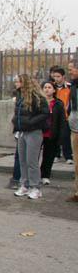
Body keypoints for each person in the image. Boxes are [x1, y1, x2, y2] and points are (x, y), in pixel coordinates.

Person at [12, 74, 48, 200]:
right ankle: (25, 184)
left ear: (24, 83)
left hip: (33, 132)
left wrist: (31, 122)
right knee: (22, 160)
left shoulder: (37, 97)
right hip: (22, 132)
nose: (16, 83)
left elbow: (45, 113)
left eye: (18, 81)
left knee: (32, 161)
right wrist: (15, 124)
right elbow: (17, 113)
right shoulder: (19, 96)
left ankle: (35, 187)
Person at [39, 81, 64, 186]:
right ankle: (34, 175)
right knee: (34, 156)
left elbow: (62, 121)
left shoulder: (58, 104)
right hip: (38, 133)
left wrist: (61, 136)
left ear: (54, 90)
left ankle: (45, 176)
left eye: (49, 87)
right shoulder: (39, 102)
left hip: (51, 134)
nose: (47, 89)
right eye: (45, 87)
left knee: (48, 156)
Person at [51, 67, 73, 164]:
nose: (56, 78)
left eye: (58, 76)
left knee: (65, 136)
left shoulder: (69, 87)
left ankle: (68, 156)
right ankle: (56, 155)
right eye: (55, 76)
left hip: (66, 115)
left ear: (63, 77)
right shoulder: (51, 87)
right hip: (54, 115)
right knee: (54, 135)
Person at [66, 63, 78, 203]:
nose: (70, 72)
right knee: (77, 163)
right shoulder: (73, 86)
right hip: (75, 128)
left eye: (71, 69)